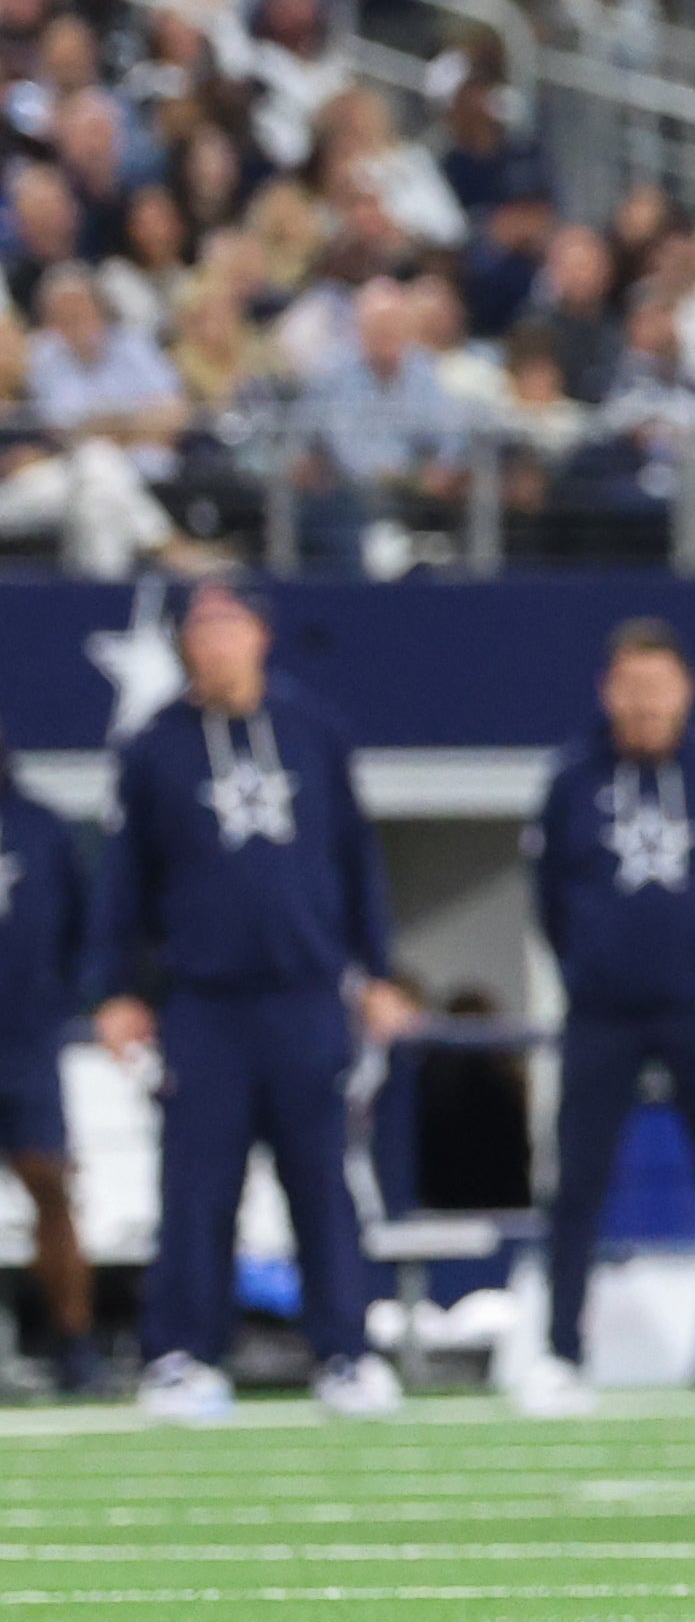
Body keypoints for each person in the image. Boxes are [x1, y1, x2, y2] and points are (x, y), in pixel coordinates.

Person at [85, 577, 416, 1420]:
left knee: (323, 1183)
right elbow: (124, 881)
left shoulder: (315, 734)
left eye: (229, 624)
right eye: (200, 626)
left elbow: (355, 860)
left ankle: (346, 1350)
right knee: (198, 1186)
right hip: (204, 1003)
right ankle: (183, 1353)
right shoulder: (154, 748)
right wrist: (120, 989)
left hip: (306, 995)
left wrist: (376, 970)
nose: (215, 641)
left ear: (261, 635)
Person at [510, 622, 695, 1415]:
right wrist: (587, 966)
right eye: (631, 688)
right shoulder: (573, 777)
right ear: (608, 691)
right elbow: (549, 893)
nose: (644, 705)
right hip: (604, 1009)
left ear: (686, 688)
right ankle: (562, 1352)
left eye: (657, 687)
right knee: (577, 1183)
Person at [0, 732, 98, 1394]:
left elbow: (88, 930)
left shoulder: (42, 828)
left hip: (25, 1038)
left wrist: (60, 1002)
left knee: (49, 1183)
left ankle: (74, 1341)